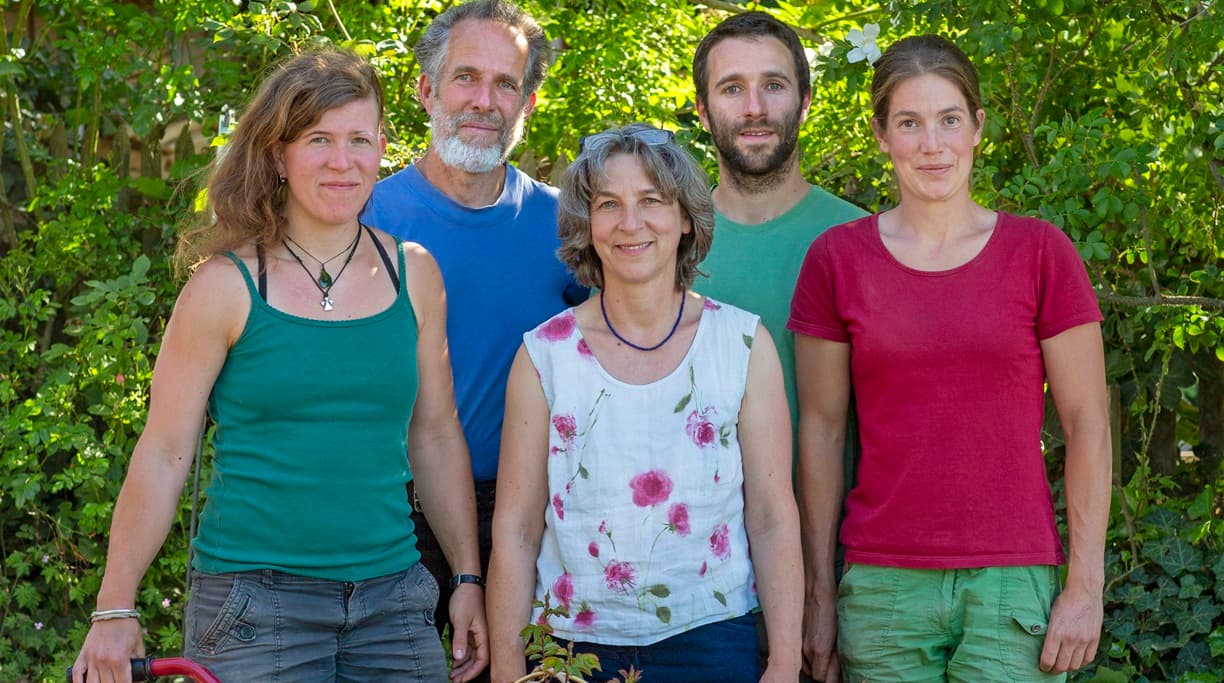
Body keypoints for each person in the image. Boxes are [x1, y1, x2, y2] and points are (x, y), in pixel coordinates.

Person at [71, 49, 487, 683]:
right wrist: (115, 605)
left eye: (359, 139)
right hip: (254, 606)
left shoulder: (416, 274)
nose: (342, 160)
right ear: (276, 155)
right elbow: (164, 451)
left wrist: (465, 577)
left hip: (394, 599)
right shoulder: (225, 287)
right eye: (319, 139)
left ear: (381, 148)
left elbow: (433, 434)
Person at [788, 35, 1111, 682]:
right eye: (909, 123)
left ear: (977, 127)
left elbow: (1087, 427)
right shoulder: (838, 261)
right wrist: (819, 593)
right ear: (882, 135)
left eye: (949, 120)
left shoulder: (1041, 254)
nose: (932, 144)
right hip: (882, 584)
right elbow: (821, 431)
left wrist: (1085, 586)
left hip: (1012, 579)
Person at [486, 124, 803, 683]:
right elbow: (514, 528)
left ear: (685, 217)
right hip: (570, 645)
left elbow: (773, 515)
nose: (630, 223)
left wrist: (783, 660)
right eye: (609, 204)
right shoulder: (544, 356)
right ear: (588, 225)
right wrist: (509, 669)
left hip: (713, 638)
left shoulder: (743, 345)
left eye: (651, 201)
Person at [361, 0, 587, 643]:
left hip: (537, 516)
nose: (484, 100)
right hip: (393, 516)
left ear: (529, 102)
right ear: (426, 90)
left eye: (506, 83)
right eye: (466, 77)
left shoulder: (568, 226)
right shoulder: (366, 218)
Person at [691, 13, 866, 680]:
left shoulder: (864, 242)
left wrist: (826, 592)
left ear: (806, 99)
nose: (755, 107)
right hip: (702, 591)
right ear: (703, 109)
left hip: (846, 578)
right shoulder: (663, 249)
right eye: (732, 88)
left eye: (774, 85)